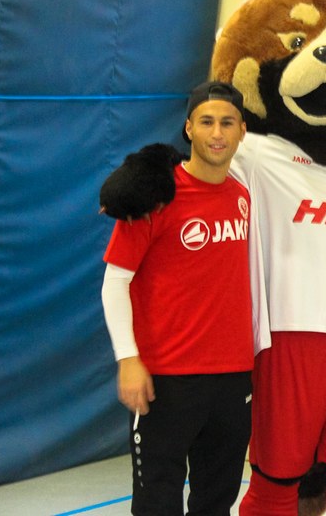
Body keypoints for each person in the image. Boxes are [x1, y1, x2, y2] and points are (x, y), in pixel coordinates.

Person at [100, 81, 254, 515]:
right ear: (189, 129)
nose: (217, 133)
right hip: (166, 379)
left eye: (227, 123)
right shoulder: (154, 197)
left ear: (243, 131)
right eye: (206, 122)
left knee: (216, 500)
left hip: (232, 379)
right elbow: (115, 283)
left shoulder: (242, 195)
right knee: (157, 502)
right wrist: (128, 359)